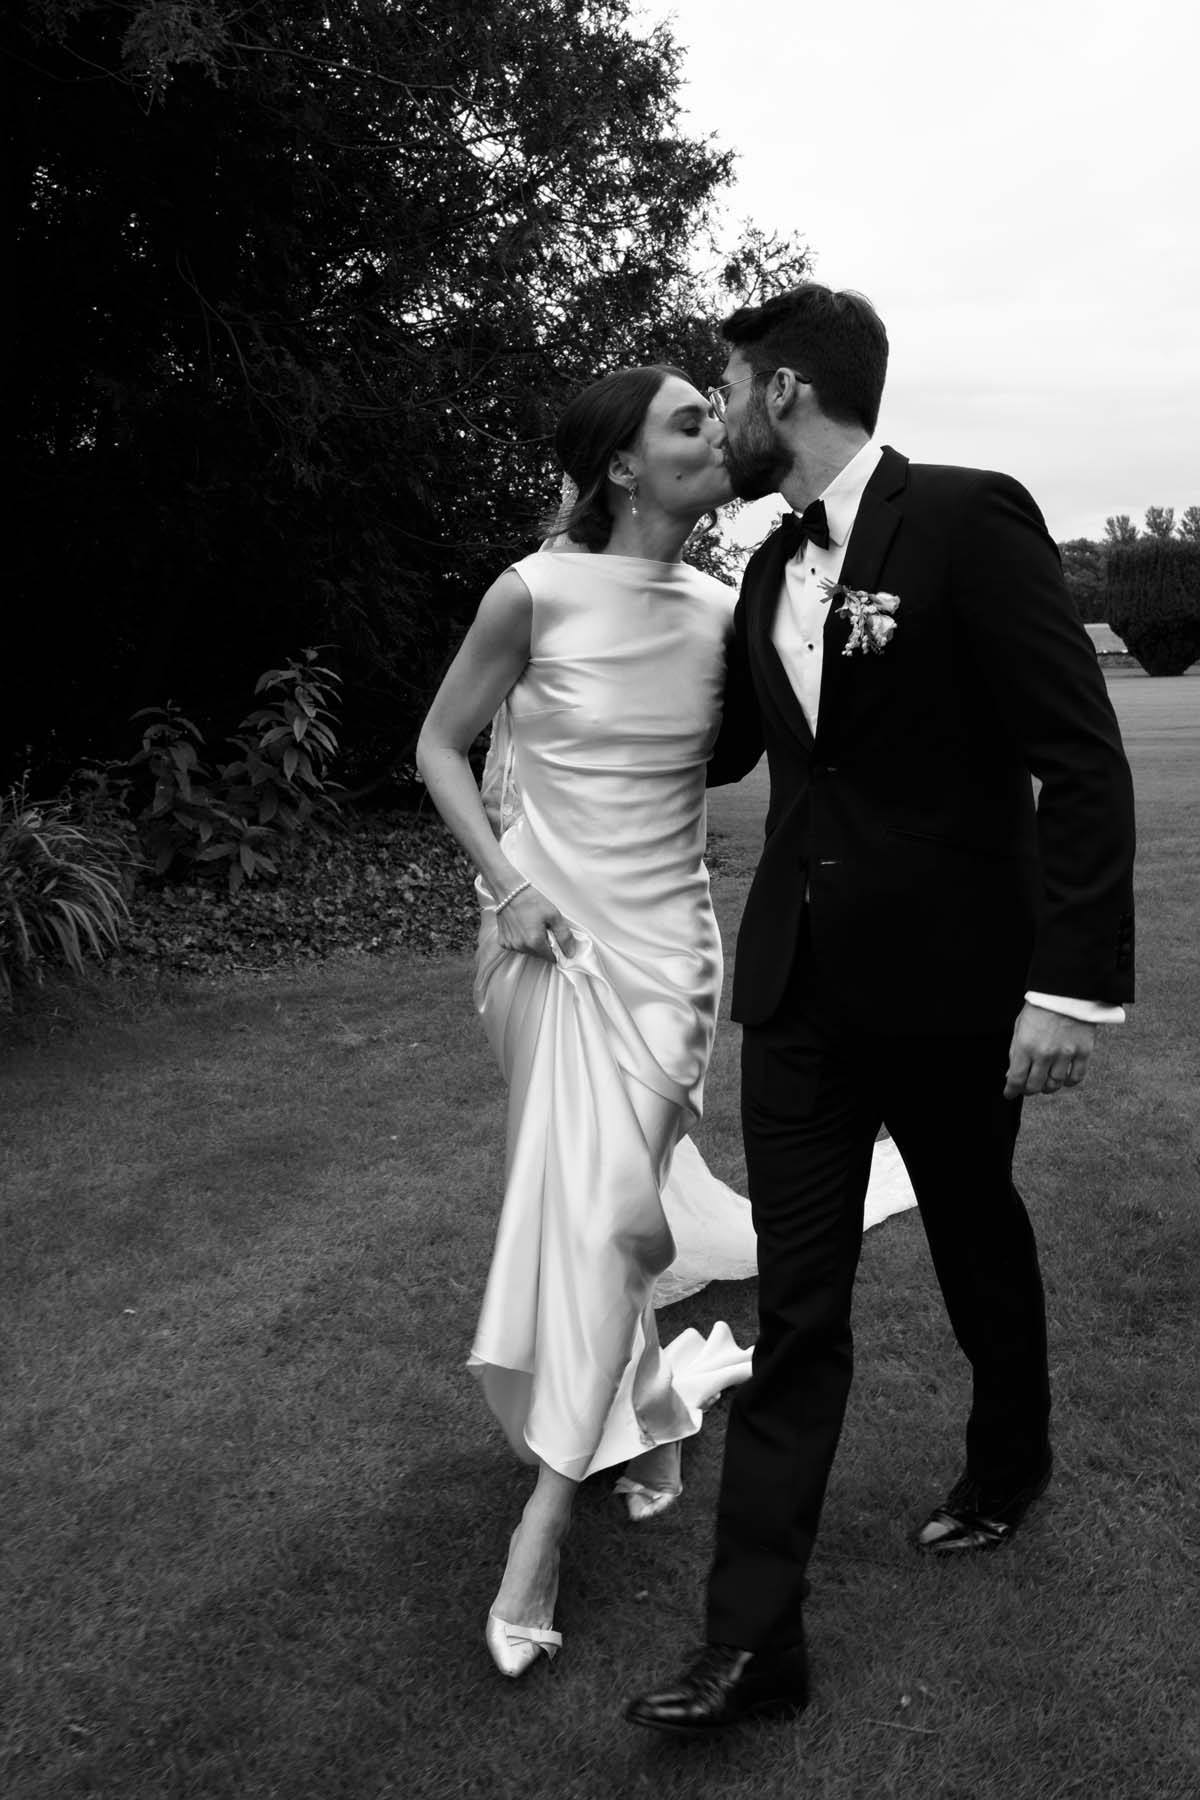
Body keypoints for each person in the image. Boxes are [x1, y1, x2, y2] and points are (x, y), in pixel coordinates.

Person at [626, 284, 1137, 1735]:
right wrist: (605, 611)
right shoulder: (768, 559)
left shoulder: (970, 518)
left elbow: (1079, 759)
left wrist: (1069, 988)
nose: (718, 410)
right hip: (801, 994)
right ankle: (753, 1644)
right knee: (799, 1307)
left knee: (977, 1236)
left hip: (959, 987)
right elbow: (726, 750)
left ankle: (1008, 1463)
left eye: (726, 385)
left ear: (784, 389)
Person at [416, 363, 916, 1681]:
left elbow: (839, 690)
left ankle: (542, 1522)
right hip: (538, 951)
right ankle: (649, 1409)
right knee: (597, 1217)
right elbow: (438, 747)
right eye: (690, 419)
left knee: (603, 1218)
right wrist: (510, 886)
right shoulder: (529, 593)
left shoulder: (723, 607)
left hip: (667, 963)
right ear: (626, 467)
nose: (718, 433)